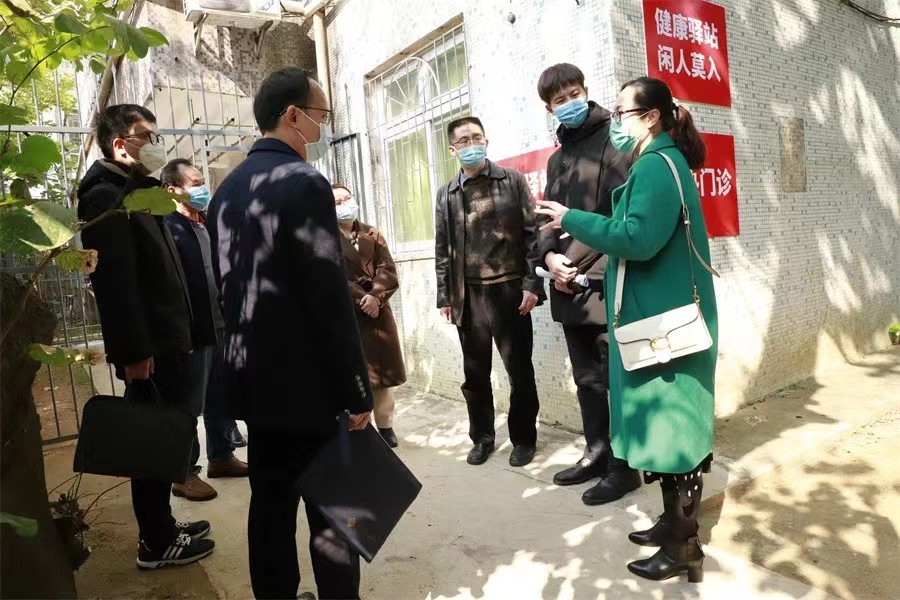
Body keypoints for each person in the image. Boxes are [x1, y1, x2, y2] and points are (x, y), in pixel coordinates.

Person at [536, 76, 718, 583]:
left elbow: (637, 238)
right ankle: (672, 524)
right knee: (662, 428)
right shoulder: (655, 161)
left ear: (652, 117)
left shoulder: (657, 165)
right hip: (659, 319)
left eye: (623, 113)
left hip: (666, 326)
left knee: (675, 432)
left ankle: (684, 547)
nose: (615, 121)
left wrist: (574, 219)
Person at [207, 68, 372, 600]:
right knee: (334, 515)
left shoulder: (226, 191)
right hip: (310, 387)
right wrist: (355, 388)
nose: (323, 126)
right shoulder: (305, 182)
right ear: (293, 115)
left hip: (254, 384)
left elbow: (227, 290)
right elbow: (327, 296)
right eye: (321, 115)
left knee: (270, 509)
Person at [77, 104, 214, 568]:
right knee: (150, 443)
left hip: (167, 340)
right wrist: (135, 352)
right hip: (148, 349)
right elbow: (116, 283)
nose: (155, 146)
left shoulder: (138, 191)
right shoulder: (104, 196)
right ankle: (155, 543)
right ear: (121, 145)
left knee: (165, 437)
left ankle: (164, 525)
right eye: (146, 137)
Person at [536, 63, 641, 505]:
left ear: (585, 91)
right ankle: (596, 453)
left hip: (602, 278)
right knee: (587, 379)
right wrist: (549, 258)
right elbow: (546, 217)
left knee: (615, 377)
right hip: (566, 283)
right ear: (550, 108)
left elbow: (617, 213)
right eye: (559, 100)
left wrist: (572, 264)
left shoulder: (614, 140)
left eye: (574, 93)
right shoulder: (556, 158)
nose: (569, 103)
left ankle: (625, 466)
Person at [434, 116, 545, 468]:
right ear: (453, 149)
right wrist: (445, 297)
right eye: (464, 141)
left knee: (520, 371)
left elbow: (533, 234)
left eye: (477, 138)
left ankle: (523, 439)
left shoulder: (511, 180)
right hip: (468, 295)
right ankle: (482, 437)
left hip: (509, 290)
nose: (472, 145)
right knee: (475, 374)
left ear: (486, 141)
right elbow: (443, 249)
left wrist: (532, 284)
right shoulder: (447, 194)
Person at [161, 159, 249, 502]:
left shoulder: (208, 223)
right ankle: (183, 473)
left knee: (219, 396)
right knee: (187, 405)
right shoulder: (168, 228)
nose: (203, 188)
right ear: (173, 190)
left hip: (221, 324)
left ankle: (222, 456)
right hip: (193, 331)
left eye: (202, 181)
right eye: (195, 183)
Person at [332, 183, 407, 448]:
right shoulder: (326, 237)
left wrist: (375, 296)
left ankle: (386, 426)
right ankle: (363, 428)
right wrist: (360, 297)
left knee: (382, 375)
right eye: (338, 202)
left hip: (377, 311)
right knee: (357, 373)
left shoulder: (372, 233)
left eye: (347, 198)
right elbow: (331, 275)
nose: (345, 205)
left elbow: (387, 267)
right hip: (348, 312)